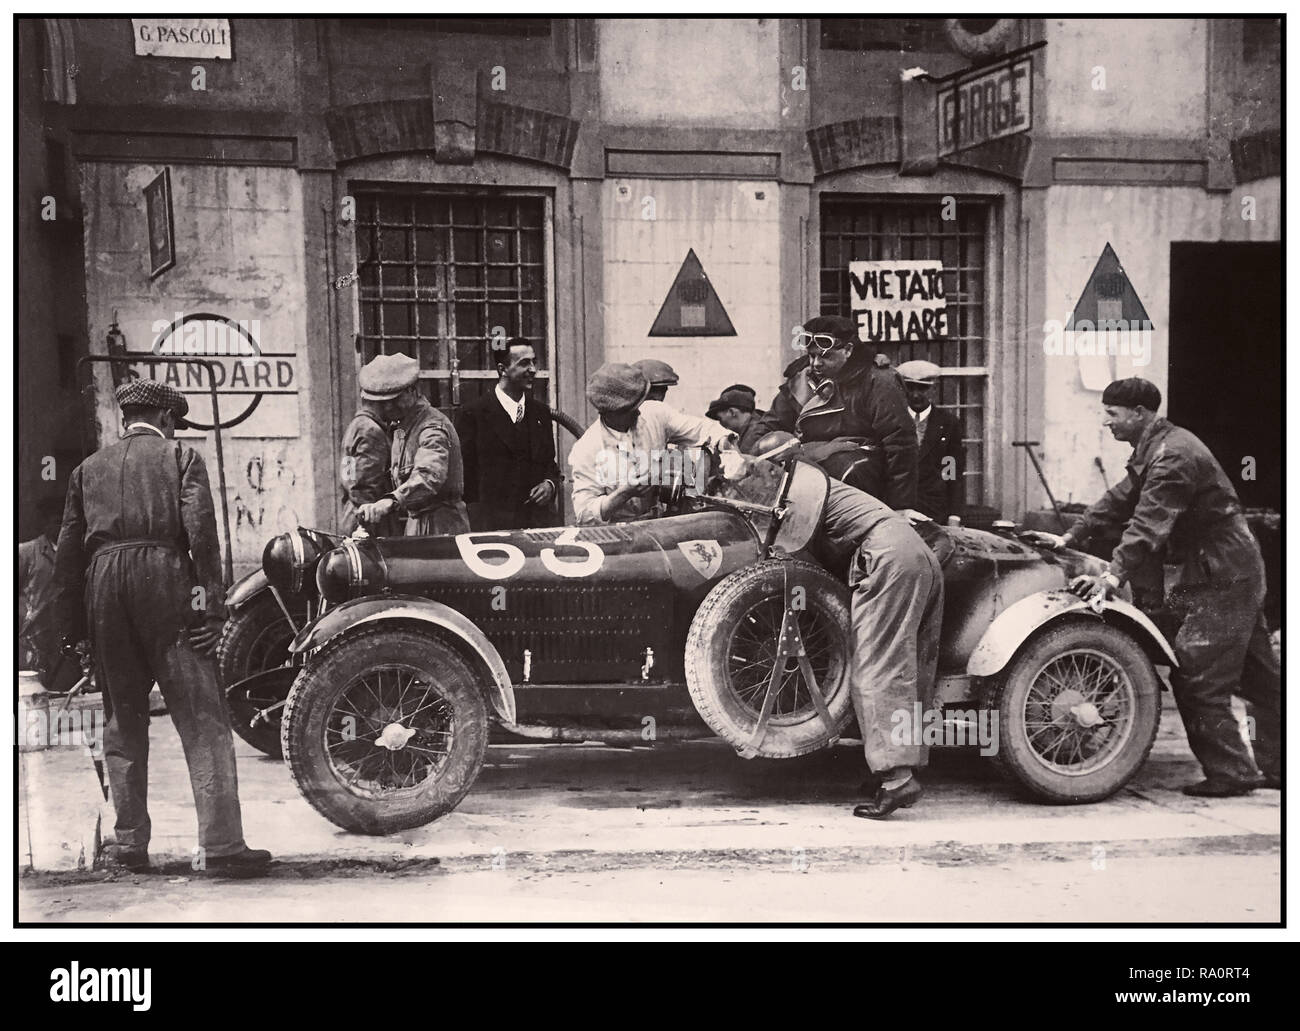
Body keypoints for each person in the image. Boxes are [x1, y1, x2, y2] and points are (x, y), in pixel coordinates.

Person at [51, 380, 270, 874]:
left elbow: (67, 559)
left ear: (125, 419)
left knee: (121, 719)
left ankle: (129, 844)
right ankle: (221, 847)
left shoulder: (86, 470)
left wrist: (77, 633)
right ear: (168, 419)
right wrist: (210, 610)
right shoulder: (181, 459)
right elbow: (202, 540)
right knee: (202, 716)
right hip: (165, 581)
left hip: (104, 589)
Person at [1056, 378, 1280, 797]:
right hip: (1226, 562)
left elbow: (1147, 525)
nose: (1106, 421)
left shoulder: (1173, 456)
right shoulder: (1157, 447)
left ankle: (1232, 772)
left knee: (1198, 675)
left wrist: (1111, 576)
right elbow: (1121, 499)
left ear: (1139, 413)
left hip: (1221, 568)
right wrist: (1071, 537)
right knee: (1260, 675)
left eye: (1112, 413)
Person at [733, 431, 944, 818]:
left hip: (888, 559)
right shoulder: (816, 482)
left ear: (777, 466)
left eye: (763, 469)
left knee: (875, 666)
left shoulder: (801, 492)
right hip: (912, 552)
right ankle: (897, 769)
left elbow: (788, 552)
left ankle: (897, 781)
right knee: (909, 669)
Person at [754, 315, 917, 510]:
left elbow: (900, 445)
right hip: (810, 479)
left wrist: (900, 507)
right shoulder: (802, 380)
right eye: (811, 355)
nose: (815, 364)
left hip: (862, 484)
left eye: (825, 356)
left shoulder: (878, 380)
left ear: (848, 350)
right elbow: (770, 425)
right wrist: (743, 461)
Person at [570, 362, 736, 525]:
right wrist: (625, 492)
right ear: (611, 413)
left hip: (659, 524)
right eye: (632, 408)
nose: (640, 411)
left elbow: (704, 429)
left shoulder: (654, 413)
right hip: (619, 536)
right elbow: (585, 515)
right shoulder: (586, 449)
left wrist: (726, 445)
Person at [354, 353, 470, 536]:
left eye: (394, 400)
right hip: (416, 525)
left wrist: (392, 501)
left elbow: (429, 475)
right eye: (383, 403)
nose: (388, 408)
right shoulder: (403, 427)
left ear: (413, 390)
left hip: (441, 529)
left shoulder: (432, 428)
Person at [457, 337, 561, 530]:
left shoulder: (540, 413)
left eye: (534, 362)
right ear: (502, 369)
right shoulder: (473, 413)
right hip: (492, 529)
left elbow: (549, 464)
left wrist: (549, 485)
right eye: (524, 363)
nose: (533, 369)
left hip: (538, 526)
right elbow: (466, 477)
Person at [19, 497, 81, 693]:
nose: (61, 527)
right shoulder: (26, 552)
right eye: (55, 521)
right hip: (33, 641)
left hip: (64, 639)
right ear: (44, 523)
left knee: (66, 694)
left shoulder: (76, 554)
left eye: (64, 522)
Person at [896, 360, 965, 524]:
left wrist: (954, 515)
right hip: (897, 510)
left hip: (933, 510)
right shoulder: (893, 420)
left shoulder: (948, 424)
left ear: (934, 388)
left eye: (922, 388)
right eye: (910, 388)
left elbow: (952, 472)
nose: (915, 394)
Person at [339, 395, 395, 535]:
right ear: (384, 403)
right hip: (369, 521)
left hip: (352, 514)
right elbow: (364, 487)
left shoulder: (357, 425)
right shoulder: (371, 431)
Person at [706, 385, 768, 455]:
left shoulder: (752, 439)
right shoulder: (763, 423)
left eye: (720, 419)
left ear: (732, 412)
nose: (721, 424)